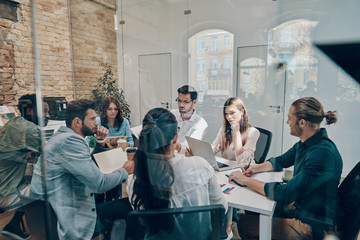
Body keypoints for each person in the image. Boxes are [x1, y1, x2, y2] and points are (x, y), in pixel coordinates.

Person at [229, 97, 343, 240]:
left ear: (302, 122)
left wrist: (244, 180)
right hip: (304, 206)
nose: (287, 122)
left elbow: (284, 194)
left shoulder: (322, 154)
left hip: (314, 224)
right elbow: (280, 161)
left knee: (245, 224)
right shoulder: (307, 143)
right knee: (253, 208)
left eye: (289, 118)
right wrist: (255, 168)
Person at [30, 99, 134, 240]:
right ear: (77, 122)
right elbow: (99, 184)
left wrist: (100, 143)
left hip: (58, 212)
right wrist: (124, 170)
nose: (96, 123)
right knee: (132, 206)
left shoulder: (62, 136)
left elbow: (87, 166)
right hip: (70, 220)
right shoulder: (70, 142)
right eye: (92, 119)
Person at [126, 108, 227, 239]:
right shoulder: (200, 166)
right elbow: (221, 208)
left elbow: (144, 221)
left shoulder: (136, 180)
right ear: (175, 137)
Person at [0, 94, 50, 240]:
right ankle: (47, 232)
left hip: (3, 184)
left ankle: (14, 225)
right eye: (44, 110)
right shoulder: (29, 129)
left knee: (31, 175)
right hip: (5, 193)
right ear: (29, 111)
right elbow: (50, 156)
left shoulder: (12, 123)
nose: (47, 115)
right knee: (50, 185)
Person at [209, 97, 260, 237]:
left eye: (232, 113)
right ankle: (223, 224)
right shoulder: (224, 129)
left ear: (242, 112)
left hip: (245, 173)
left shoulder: (253, 132)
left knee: (223, 195)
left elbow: (241, 160)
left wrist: (236, 133)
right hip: (226, 171)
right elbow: (213, 146)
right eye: (226, 114)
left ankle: (227, 227)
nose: (228, 117)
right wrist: (212, 149)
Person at [171, 85, 208, 153]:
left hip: (185, 159)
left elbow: (190, 148)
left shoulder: (200, 123)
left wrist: (171, 145)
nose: (181, 105)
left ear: (194, 102)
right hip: (167, 156)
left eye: (185, 101)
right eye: (179, 100)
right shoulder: (172, 114)